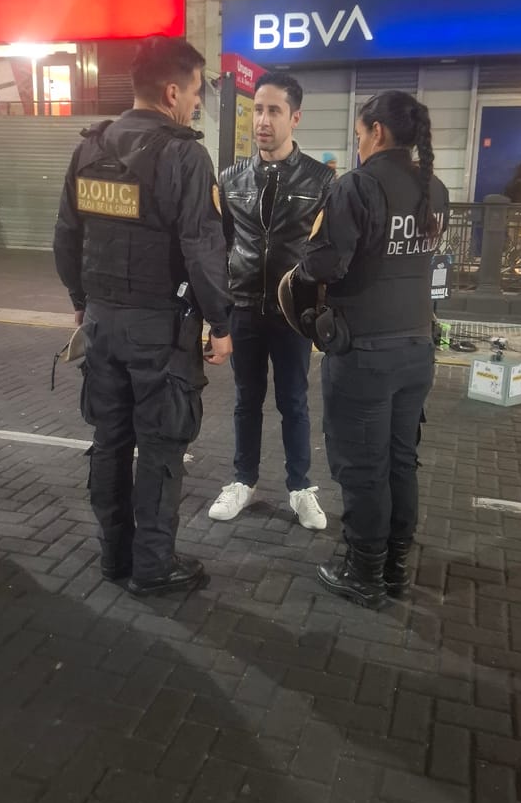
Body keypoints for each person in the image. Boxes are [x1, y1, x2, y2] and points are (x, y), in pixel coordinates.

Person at [53, 35, 232, 598]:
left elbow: (65, 236)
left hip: (102, 324)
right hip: (159, 331)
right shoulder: (184, 153)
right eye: (196, 92)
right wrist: (220, 325)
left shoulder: (90, 147)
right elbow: (203, 248)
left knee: (109, 440)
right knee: (159, 448)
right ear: (172, 91)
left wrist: (82, 302)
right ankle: (153, 566)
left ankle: (114, 556)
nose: (197, 104)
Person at [285, 90, 449, 609]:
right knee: (401, 461)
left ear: (376, 132)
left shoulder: (357, 186)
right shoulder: (435, 189)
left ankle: (363, 573)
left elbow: (328, 262)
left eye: (358, 136)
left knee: (363, 466)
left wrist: (302, 262)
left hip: (365, 354)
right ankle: (396, 567)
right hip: (417, 349)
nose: (356, 146)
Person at [208, 71, 335, 529]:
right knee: (246, 400)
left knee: (294, 402)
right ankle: (243, 480)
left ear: (295, 117)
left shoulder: (322, 180)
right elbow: (221, 246)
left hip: (291, 312)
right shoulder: (231, 177)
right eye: (257, 109)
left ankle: (300, 488)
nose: (262, 120)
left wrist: (322, 309)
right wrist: (215, 313)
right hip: (242, 307)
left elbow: (327, 252)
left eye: (274, 110)